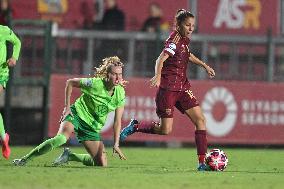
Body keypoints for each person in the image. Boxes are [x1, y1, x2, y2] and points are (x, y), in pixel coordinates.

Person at [120, 9, 215, 171]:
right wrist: (158, 75)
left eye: (193, 25)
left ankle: (201, 163)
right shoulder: (175, 39)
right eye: (187, 25)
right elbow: (161, 58)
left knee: (200, 120)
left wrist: (204, 65)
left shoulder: (185, 40)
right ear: (178, 25)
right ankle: (135, 126)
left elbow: (187, 54)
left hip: (183, 87)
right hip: (168, 89)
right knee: (165, 130)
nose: (191, 28)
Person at [13, 56, 127, 166]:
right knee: (61, 139)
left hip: (91, 127)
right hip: (76, 114)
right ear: (107, 74)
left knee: (101, 163)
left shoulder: (120, 93)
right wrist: (67, 107)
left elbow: (117, 121)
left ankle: (69, 156)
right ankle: (25, 159)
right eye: (114, 74)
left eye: (120, 74)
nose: (118, 77)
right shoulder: (95, 84)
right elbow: (70, 82)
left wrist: (116, 144)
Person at [0, 24, 21, 159]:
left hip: (1, 72)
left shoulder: (3, 30)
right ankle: (3, 138)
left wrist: (14, 57)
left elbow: (17, 42)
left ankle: (3, 138)